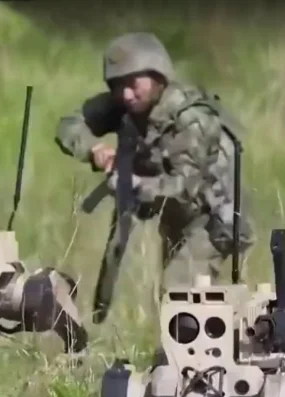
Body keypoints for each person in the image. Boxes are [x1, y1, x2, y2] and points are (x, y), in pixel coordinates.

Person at [55, 32, 253, 291]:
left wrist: (135, 184)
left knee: (179, 299)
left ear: (158, 76)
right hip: (177, 217)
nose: (125, 94)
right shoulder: (128, 105)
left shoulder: (190, 119)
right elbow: (70, 125)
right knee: (182, 308)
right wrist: (95, 149)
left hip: (213, 219)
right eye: (116, 85)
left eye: (133, 83)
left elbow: (186, 187)